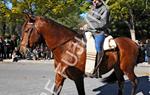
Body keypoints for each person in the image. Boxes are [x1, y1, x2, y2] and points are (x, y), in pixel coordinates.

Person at [80, 0, 110, 77]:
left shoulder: (105, 9)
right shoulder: (92, 9)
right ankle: (84, 68)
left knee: (98, 47)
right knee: (80, 45)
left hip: (99, 32)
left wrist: (88, 26)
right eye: (93, 1)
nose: (94, 2)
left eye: (96, 0)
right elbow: (88, 20)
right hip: (89, 32)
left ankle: (97, 70)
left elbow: (103, 23)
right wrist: (84, 25)